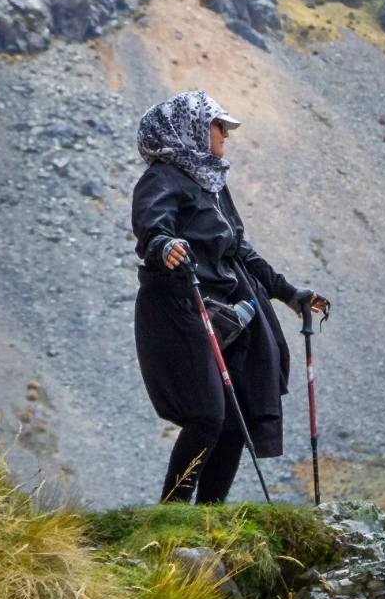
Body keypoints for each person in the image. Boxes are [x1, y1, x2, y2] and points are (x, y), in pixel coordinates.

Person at [130, 90, 327, 503]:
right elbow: (152, 229)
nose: (226, 134)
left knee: (235, 420)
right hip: (180, 307)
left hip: (226, 311)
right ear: (192, 130)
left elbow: (238, 248)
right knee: (207, 416)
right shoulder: (161, 179)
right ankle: (173, 514)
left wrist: (289, 294)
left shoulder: (211, 184)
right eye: (219, 125)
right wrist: (165, 246)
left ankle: (209, 515)